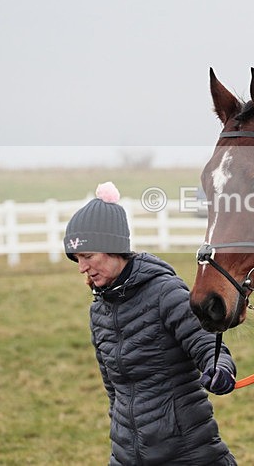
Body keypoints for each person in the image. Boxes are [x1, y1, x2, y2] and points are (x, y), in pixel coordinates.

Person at [64, 182, 237, 466]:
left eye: (87, 256)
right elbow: (114, 391)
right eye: (77, 260)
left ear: (113, 248)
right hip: (127, 454)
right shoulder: (99, 312)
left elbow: (207, 346)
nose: (82, 267)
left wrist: (219, 369)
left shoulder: (165, 292)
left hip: (188, 452)